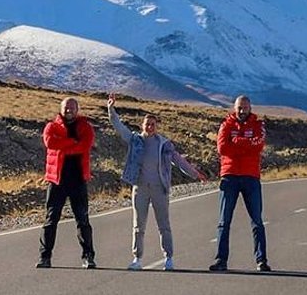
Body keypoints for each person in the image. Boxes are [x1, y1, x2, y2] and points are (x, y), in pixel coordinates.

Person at [107, 94, 207, 271]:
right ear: (142, 126)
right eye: (147, 124)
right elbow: (119, 127)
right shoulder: (135, 140)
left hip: (159, 188)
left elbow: (179, 161)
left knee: (164, 225)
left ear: (156, 126)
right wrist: (111, 109)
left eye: (153, 124)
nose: (150, 127)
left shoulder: (164, 144)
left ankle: (168, 258)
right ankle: (137, 259)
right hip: (140, 188)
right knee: (139, 226)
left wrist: (195, 174)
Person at [209, 94, 271, 272]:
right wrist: (245, 144)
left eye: (245, 107)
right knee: (224, 221)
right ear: (234, 108)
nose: (242, 110)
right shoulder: (226, 125)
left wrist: (236, 141)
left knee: (257, 221)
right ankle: (221, 260)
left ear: (250, 108)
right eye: (239, 107)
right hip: (229, 177)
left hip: (251, 177)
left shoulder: (258, 125)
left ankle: (261, 260)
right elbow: (222, 148)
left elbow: (258, 145)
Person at [37, 96, 96, 269]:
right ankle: (44, 257)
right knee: (50, 219)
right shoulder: (51, 126)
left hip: (78, 181)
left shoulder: (85, 127)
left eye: (72, 107)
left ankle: (88, 256)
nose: (68, 110)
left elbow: (84, 146)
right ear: (61, 109)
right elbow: (50, 142)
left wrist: (64, 146)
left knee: (82, 219)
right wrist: (72, 142)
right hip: (57, 181)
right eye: (66, 108)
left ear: (77, 110)